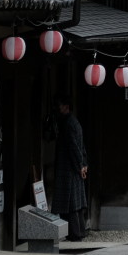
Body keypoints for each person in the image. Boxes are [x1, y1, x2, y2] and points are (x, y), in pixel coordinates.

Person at [52, 93, 90, 241]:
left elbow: (74, 147)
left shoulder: (68, 124)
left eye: (59, 106)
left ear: (66, 107)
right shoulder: (74, 122)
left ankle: (75, 234)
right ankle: (78, 232)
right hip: (74, 167)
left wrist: (80, 165)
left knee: (71, 204)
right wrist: (83, 164)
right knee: (75, 203)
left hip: (69, 169)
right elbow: (81, 146)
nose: (57, 109)